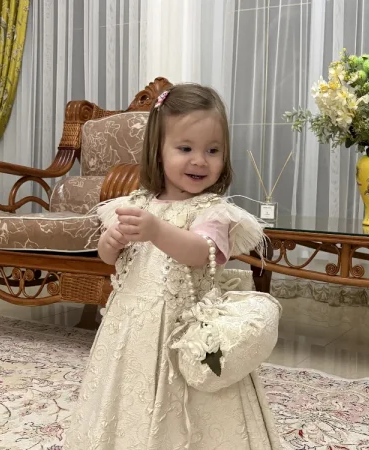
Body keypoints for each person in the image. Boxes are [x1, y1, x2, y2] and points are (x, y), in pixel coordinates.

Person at [64, 83, 281, 449]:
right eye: (185, 149)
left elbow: (201, 252)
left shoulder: (213, 211)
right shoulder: (136, 203)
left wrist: (157, 231)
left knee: (188, 405)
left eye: (213, 150)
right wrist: (111, 242)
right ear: (158, 151)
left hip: (185, 335)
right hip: (130, 329)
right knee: (126, 397)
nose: (200, 160)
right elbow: (110, 258)